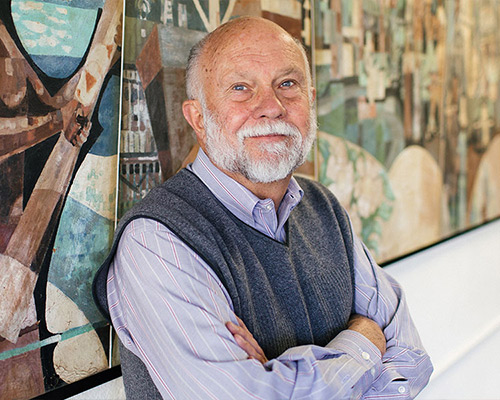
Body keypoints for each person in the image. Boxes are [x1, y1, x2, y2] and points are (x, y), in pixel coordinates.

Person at [93, 16, 433, 399]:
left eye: (287, 84)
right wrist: (364, 340)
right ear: (198, 119)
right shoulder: (157, 241)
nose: (271, 107)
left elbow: (412, 361)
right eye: (241, 88)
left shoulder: (324, 208)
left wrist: (280, 375)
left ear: (311, 101)